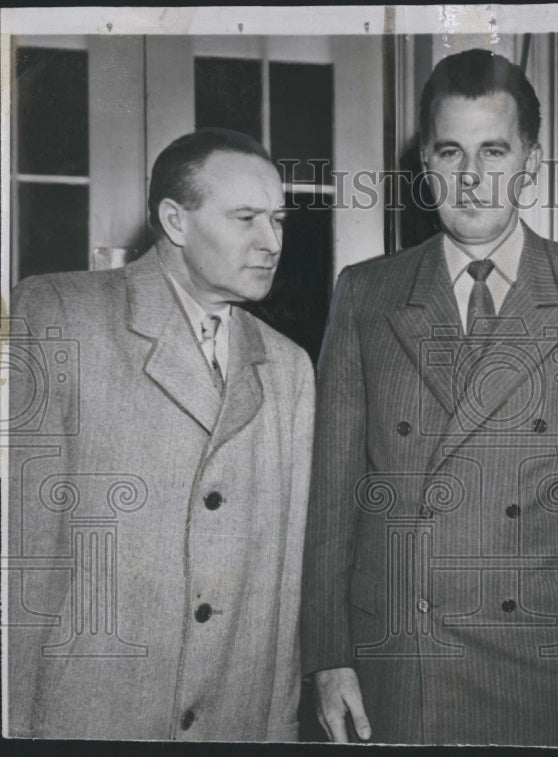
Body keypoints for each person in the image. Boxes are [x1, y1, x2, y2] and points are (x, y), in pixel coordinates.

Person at [302, 49, 558, 747]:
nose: (471, 179)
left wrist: (531, 553)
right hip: (404, 650)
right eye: (450, 152)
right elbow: (332, 491)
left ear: (530, 158)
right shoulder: (368, 294)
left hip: (546, 651)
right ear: (426, 162)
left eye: (494, 151)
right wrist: (327, 652)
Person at [7, 128, 314, 740]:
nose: (271, 242)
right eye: (247, 218)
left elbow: (284, 595)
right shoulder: (61, 313)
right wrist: (11, 723)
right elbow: (24, 547)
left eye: (277, 220)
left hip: (234, 721)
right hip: (90, 717)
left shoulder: (289, 367)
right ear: (175, 220)